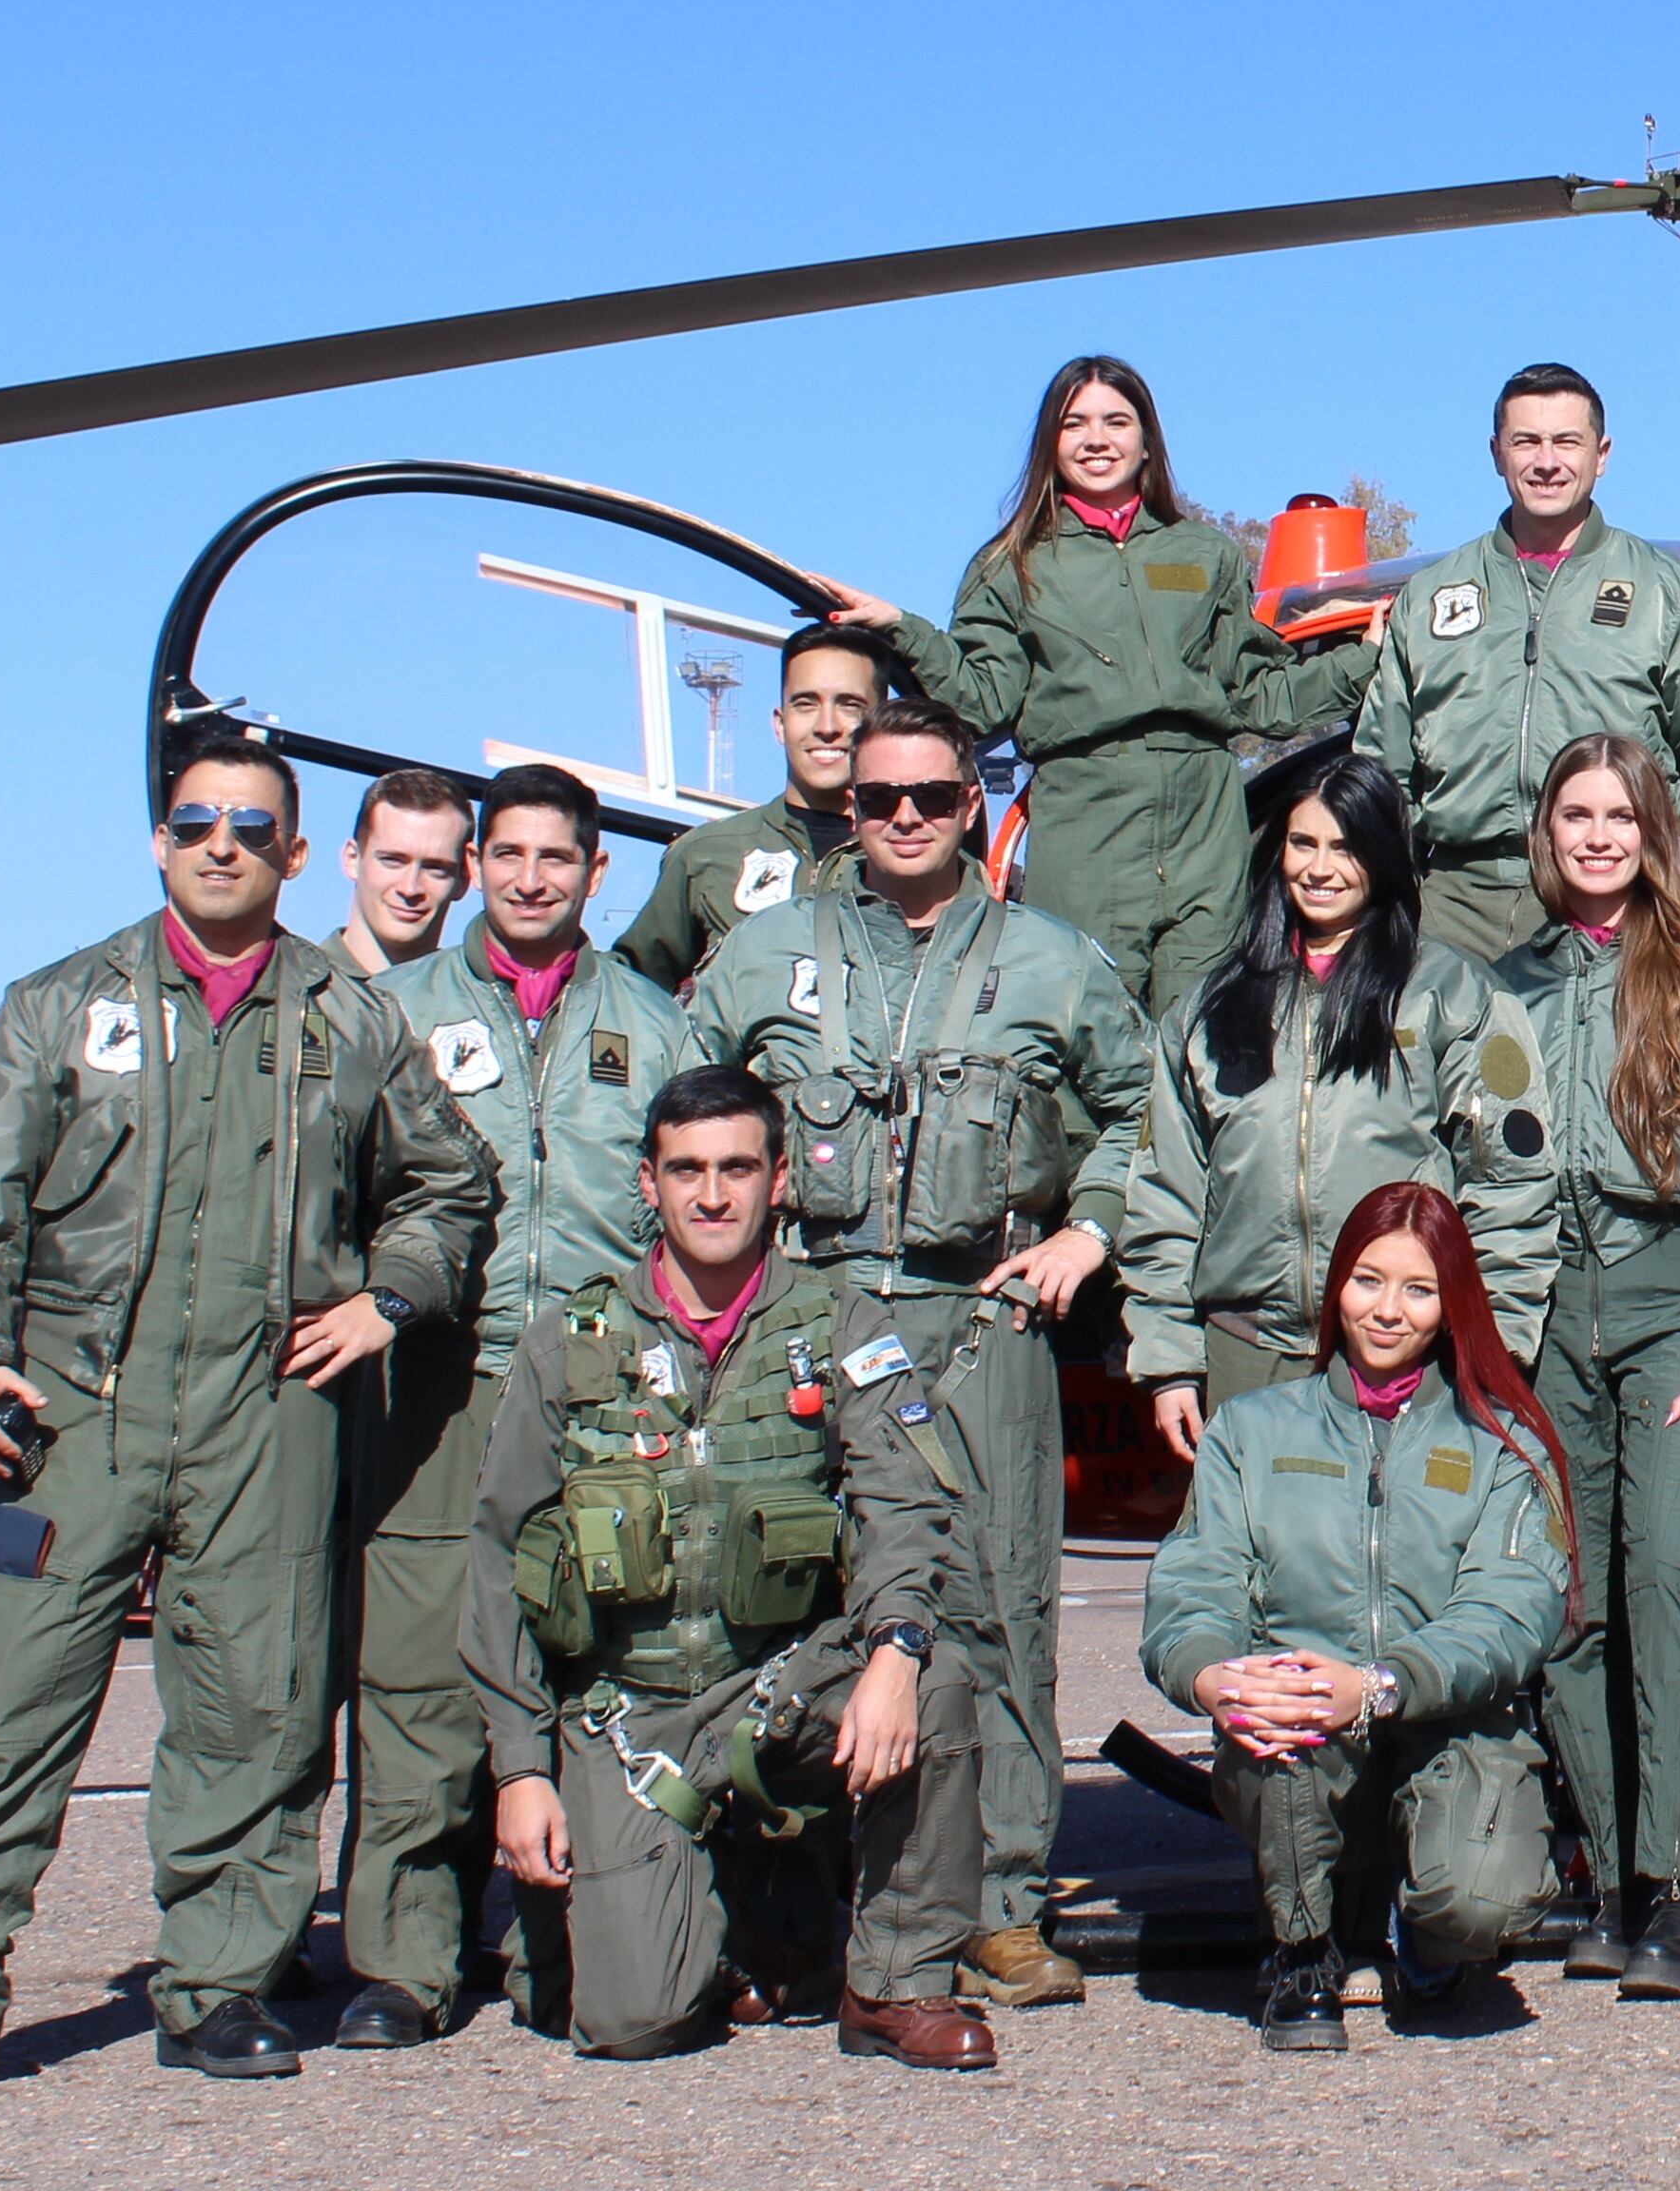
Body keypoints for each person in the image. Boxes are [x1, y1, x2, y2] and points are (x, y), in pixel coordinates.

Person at [0, 734, 495, 2108]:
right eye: (195, 820)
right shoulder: (56, 1004)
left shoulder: (353, 1019)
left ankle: (219, 1984)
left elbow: (452, 1187)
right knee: (6, 1707)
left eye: (252, 826)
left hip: (271, 1412)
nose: (222, 842)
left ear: (294, 853)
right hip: (70, 1413)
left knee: (256, 1714)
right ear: (158, 842)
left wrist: (389, 1298)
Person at [683, 696, 1155, 2011]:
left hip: (984, 1320)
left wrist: (1091, 1230)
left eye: (933, 797)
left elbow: (1146, 1108)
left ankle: (1001, 1903)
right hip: (815, 1318)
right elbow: (682, 1108)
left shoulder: (1053, 960)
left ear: (971, 807)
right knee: (800, 1602)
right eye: (879, 798)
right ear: (848, 808)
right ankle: (802, 1894)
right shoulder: (763, 957)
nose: (904, 817)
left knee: (1000, 1607)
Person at [466, 1066, 993, 2069]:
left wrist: (895, 1649)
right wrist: (521, 1769)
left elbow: (904, 1502)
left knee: (940, 1685)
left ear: (780, 1178)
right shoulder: (569, 1344)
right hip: (630, 1716)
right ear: (649, 1182)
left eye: (738, 1167)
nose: (713, 1194)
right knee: (635, 2023)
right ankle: (709, 1923)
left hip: (776, 1689)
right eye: (688, 1170)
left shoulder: (843, 1328)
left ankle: (895, 1986)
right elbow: (497, 1560)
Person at [351, 761, 694, 2047]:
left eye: (558, 857)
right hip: (447, 1375)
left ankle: (566, 1941)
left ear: (597, 872)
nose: (531, 877)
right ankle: (405, 1958)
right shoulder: (394, 1008)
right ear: (477, 863)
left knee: (592, 1655)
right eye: (507, 855)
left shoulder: (657, 1025)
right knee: (423, 1671)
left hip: (600, 1384)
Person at [1464, 731, 1680, 1997]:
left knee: (1670, 1583)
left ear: (1651, 832)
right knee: (1569, 1605)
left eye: (1618, 815)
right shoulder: (1500, 990)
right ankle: (1609, 1878)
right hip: (1544, 1329)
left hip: (1669, 1316)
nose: (1597, 835)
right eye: (1575, 815)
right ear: (1545, 834)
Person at [1143, 1182, 1572, 2051]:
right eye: (1367, 1281)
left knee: (1482, 1893)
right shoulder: (1249, 1432)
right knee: (1282, 1696)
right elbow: (1194, 1582)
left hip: (1441, 1723)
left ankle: (1429, 1933)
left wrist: (1377, 1684)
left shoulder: (1500, 1445)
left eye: (1418, 1289)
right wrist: (1213, 1674)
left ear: (1452, 1305)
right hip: (1306, 1731)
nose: (1387, 1310)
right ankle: (1304, 1951)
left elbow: (1509, 1613)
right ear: (1335, 1287)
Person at [816, 355, 1367, 1014]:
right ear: (1051, 441)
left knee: (1208, 1030)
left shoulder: (1203, 553)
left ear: (1145, 442)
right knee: (1089, 1025)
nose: (1097, 439)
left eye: (1116, 421)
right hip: (1086, 814)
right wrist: (902, 628)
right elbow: (982, 699)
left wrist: (1374, 659)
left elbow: (1257, 690)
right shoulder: (1012, 563)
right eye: (1075, 424)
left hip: (1204, 815)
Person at [1119, 751, 1554, 1451]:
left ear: (1382, 855)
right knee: (1247, 1557)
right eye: (1303, 842)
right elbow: (1165, 1192)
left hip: (1404, 1354)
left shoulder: (1453, 997)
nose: (1320, 868)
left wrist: (1491, 1352)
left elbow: (1511, 1187)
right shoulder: (1207, 1009)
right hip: (1245, 1352)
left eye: (1347, 846)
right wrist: (1169, 1358)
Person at [1358, 362, 1680, 962]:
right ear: (1496, 453)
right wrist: (1386, 910)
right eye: (1526, 441)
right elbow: (1379, 775)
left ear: (1601, 454)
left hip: (1615, 903)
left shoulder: (1666, 594)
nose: (1546, 461)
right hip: (1448, 915)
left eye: (1566, 442)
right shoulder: (1429, 598)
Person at [613, 622, 890, 992]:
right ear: (780, 723)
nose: (827, 726)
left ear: (882, 723)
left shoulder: (915, 856)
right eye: (806, 704)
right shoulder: (705, 856)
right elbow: (631, 996)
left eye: (849, 705)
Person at [332, 764, 476, 978]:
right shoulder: (289, 988)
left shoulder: (480, 1006)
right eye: (392, 861)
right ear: (352, 859)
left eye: (435, 868)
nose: (410, 888)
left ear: (464, 879)